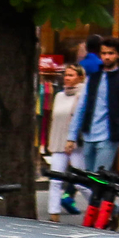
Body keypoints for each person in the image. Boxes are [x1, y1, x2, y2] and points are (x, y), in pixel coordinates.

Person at [68, 36, 119, 180]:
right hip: (89, 134)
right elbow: (81, 106)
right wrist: (71, 136)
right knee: (90, 178)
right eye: (104, 53)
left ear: (118, 55)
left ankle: (102, 203)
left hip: (109, 136)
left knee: (99, 178)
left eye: (110, 53)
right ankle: (110, 204)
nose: (106, 57)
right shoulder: (93, 78)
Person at [44, 63, 83, 217]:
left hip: (75, 143)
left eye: (71, 75)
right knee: (55, 179)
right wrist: (50, 140)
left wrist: (72, 139)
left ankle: (109, 209)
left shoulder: (82, 95)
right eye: (66, 75)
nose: (67, 78)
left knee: (82, 182)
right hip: (58, 142)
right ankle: (54, 214)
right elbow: (54, 120)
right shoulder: (59, 96)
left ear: (80, 77)